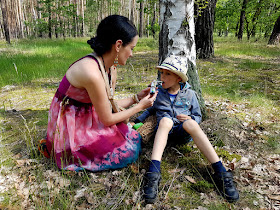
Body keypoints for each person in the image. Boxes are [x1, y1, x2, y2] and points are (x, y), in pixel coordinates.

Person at [43, 15, 157, 172]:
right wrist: (140, 107)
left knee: (127, 137)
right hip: (72, 122)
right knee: (126, 152)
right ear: (118, 45)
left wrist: (136, 97)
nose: (131, 54)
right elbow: (108, 118)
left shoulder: (109, 66)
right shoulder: (92, 73)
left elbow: (107, 104)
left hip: (86, 113)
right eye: (131, 48)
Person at [134, 55, 239, 203]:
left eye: (167, 73)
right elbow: (151, 109)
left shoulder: (190, 94)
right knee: (165, 120)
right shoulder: (158, 92)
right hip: (164, 133)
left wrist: (191, 119)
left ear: (179, 79)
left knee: (191, 123)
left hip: (182, 133)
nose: (162, 76)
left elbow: (197, 114)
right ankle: (153, 172)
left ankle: (221, 172)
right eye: (161, 72)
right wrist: (138, 120)